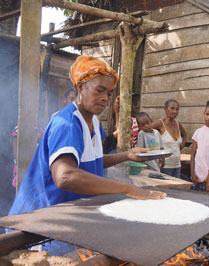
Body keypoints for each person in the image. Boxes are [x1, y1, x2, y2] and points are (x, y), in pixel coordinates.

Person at [8, 56, 166, 255]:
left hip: (66, 217)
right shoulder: (66, 123)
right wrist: (127, 188)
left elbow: (91, 161)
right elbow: (65, 176)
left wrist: (127, 155)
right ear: (80, 87)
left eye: (109, 93)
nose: (105, 98)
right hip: (41, 222)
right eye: (99, 90)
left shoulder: (94, 124)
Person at [152, 99, 187, 178]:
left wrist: (182, 144)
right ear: (165, 109)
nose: (174, 111)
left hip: (177, 165)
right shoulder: (160, 124)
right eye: (172, 108)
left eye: (177, 109)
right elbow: (146, 131)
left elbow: (184, 135)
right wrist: (157, 151)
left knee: (176, 189)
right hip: (164, 166)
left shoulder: (178, 125)